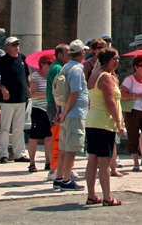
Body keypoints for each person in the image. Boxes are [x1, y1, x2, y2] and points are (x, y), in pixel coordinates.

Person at [85, 47, 123, 206]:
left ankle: (92, 195)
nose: (118, 61)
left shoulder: (95, 75)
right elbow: (110, 102)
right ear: (107, 60)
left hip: (93, 121)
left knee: (92, 159)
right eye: (115, 58)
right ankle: (107, 197)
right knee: (104, 161)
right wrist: (119, 123)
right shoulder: (105, 77)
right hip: (103, 123)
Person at [53, 40, 89, 191]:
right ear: (81, 53)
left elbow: (59, 93)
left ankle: (59, 177)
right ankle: (67, 180)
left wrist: (60, 112)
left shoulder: (65, 68)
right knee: (71, 148)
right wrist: (66, 112)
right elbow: (74, 92)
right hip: (74, 113)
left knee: (63, 148)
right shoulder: (76, 70)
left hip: (65, 113)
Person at [0, 36, 30, 163]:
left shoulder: (22, 58)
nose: (17, 46)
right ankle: (4, 153)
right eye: (14, 44)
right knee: (5, 127)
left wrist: (28, 87)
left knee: (18, 127)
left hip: (21, 98)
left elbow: (27, 75)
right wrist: (2, 88)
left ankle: (19, 153)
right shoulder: (3, 61)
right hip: (7, 99)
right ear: (8, 47)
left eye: (17, 44)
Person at [121, 55, 142, 172]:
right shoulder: (129, 80)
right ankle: (135, 163)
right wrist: (135, 96)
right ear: (135, 67)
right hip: (133, 111)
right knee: (133, 136)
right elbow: (122, 94)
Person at [45, 44, 69, 179]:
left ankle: (63, 168)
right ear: (60, 55)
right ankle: (54, 170)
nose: (70, 56)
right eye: (67, 53)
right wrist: (59, 110)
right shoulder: (58, 68)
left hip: (56, 105)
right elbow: (58, 92)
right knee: (57, 138)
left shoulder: (58, 67)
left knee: (62, 138)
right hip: (56, 106)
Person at [27, 54, 54, 173]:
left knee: (49, 136)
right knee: (34, 137)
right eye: (48, 63)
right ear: (42, 64)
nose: (50, 65)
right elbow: (32, 94)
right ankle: (32, 163)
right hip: (38, 109)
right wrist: (47, 94)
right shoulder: (35, 76)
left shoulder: (52, 77)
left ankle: (48, 162)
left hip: (49, 108)